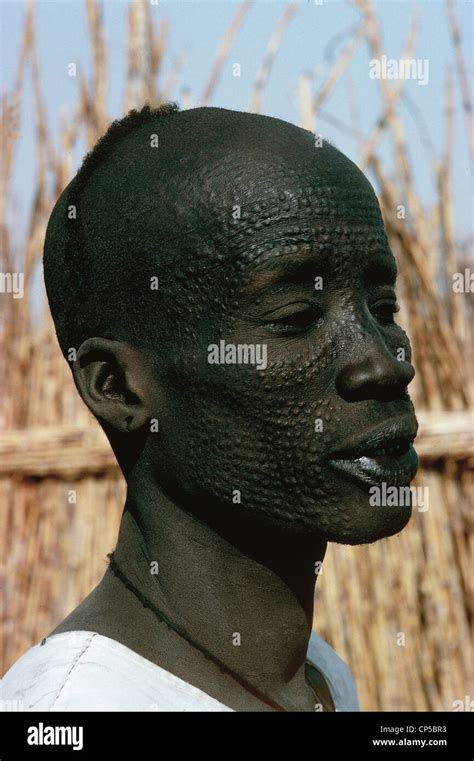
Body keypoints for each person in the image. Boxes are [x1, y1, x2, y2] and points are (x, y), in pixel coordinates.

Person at [1, 103, 418, 712]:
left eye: (383, 310)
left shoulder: (318, 678)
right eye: (296, 318)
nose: (384, 364)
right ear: (116, 386)